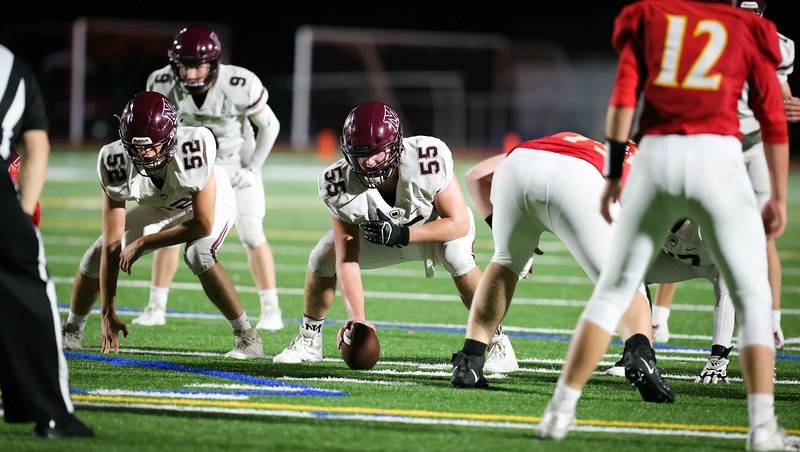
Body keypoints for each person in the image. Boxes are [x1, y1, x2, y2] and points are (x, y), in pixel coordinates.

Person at [537, 2, 793, 449]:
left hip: (657, 157)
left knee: (615, 289)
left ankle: (560, 411)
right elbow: (772, 118)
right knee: (751, 293)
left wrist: (615, 172)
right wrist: (779, 196)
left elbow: (622, 103)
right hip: (717, 159)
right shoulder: (749, 29)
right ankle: (762, 427)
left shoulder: (649, 17)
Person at [272, 101, 518, 373]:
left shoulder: (427, 157)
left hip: (435, 230)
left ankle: (498, 341)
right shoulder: (337, 182)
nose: (368, 162)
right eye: (359, 154)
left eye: (376, 153)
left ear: (396, 145)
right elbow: (347, 257)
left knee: (457, 255)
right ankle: (309, 339)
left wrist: (404, 233)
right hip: (381, 238)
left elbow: (458, 223)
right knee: (323, 255)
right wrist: (358, 319)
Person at [450, 131, 671, 402]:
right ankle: (640, 354)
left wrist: (508, 230)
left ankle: (470, 361)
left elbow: (478, 175)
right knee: (624, 277)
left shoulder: (570, 139)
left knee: (505, 261)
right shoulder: (644, 165)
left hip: (517, 166)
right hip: (578, 179)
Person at [62, 92, 264, 360]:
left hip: (206, 202)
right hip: (161, 205)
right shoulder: (114, 160)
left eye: (150, 146)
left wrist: (146, 242)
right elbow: (112, 241)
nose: (143, 154)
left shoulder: (193, 145)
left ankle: (248, 337)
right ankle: (72, 331)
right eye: (136, 147)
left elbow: (202, 224)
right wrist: (108, 309)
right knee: (97, 252)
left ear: (170, 138)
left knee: (198, 254)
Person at [650, 0, 794, 354]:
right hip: (714, 145)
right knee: (681, 223)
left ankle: (768, 328)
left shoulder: (779, 45)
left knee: (759, 239)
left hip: (754, 146)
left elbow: (782, 99)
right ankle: (659, 315)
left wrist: (789, 105)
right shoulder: (703, 38)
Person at [135, 25, 282, 330]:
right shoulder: (161, 81)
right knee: (172, 232)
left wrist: (252, 167)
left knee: (253, 233)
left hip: (233, 164)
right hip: (188, 168)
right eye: (183, 66)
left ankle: (271, 310)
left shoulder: (239, 83)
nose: (189, 74)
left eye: (197, 65)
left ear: (214, 63)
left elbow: (270, 125)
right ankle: (156, 306)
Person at [0, 44, 93, 437]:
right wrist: (23, 213)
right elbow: (37, 146)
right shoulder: (11, 65)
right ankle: (50, 411)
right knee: (27, 293)